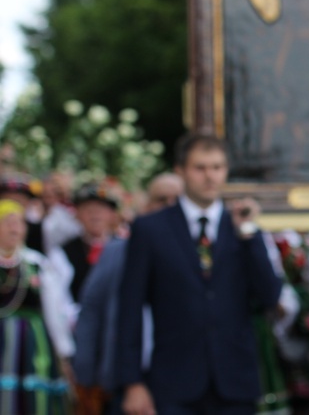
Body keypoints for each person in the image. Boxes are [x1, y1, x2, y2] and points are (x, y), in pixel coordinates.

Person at [116, 132, 282, 414]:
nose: (210, 177)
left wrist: (249, 234)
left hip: (234, 383)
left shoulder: (242, 228)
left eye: (217, 167)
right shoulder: (150, 229)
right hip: (174, 383)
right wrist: (132, 382)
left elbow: (269, 296)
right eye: (200, 168)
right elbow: (129, 309)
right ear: (180, 171)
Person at [72, 173, 184, 414]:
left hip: (188, 381)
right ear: (146, 207)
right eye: (161, 199)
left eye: (177, 199)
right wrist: (87, 375)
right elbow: (91, 308)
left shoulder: (204, 252)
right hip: (127, 379)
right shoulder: (117, 251)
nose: (169, 207)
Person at [0, 199, 74, 413]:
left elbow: (55, 310)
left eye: (19, 223)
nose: (15, 228)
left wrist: (63, 351)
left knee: (34, 398)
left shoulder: (37, 263)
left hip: (33, 342)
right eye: (8, 222)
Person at [47, 182, 119, 308]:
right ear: (77, 214)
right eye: (88, 209)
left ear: (113, 215)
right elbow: (59, 301)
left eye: (101, 209)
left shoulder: (127, 249)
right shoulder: (62, 253)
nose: (95, 214)